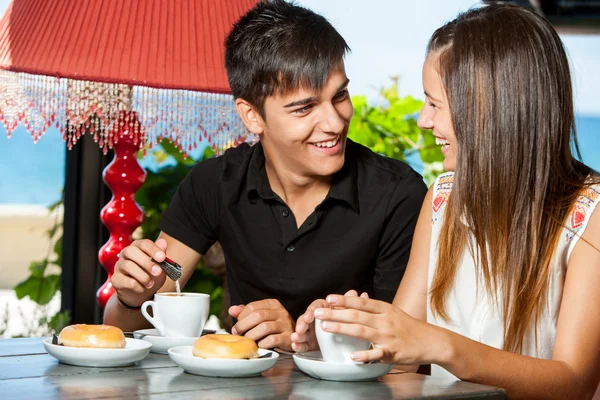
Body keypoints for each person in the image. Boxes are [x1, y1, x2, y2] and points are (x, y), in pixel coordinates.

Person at [292, 4, 600, 398]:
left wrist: (444, 346)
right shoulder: (443, 198)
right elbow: (400, 356)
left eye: (434, 104)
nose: (423, 119)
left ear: (489, 109)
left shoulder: (588, 213)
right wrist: (343, 337)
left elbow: (573, 384)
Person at [103, 0, 426, 351]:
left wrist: (306, 341)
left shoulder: (398, 193)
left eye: (340, 95)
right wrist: (131, 297)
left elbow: (406, 358)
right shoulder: (213, 183)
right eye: (304, 108)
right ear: (252, 116)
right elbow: (124, 329)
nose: (334, 123)